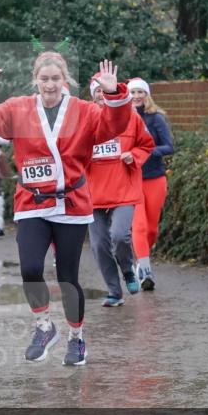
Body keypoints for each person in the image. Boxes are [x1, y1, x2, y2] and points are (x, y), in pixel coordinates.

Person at [0, 49, 132, 366]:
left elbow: (113, 126)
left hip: (71, 203)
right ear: (35, 80)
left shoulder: (84, 110)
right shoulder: (18, 108)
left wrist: (113, 93)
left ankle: (76, 337)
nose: (50, 84)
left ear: (65, 79)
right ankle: (44, 326)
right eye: (44, 78)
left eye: (56, 78)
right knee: (30, 269)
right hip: (32, 202)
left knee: (68, 277)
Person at [85, 76, 154, 306]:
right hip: (92, 193)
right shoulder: (82, 120)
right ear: (92, 95)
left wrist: (132, 156)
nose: (101, 95)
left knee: (120, 236)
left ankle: (128, 270)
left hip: (124, 188)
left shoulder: (131, 117)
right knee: (99, 244)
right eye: (97, 91)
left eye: (105, 91)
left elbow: (147, 144)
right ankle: (114, 291)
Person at [128, 78, 174, 291]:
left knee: (152, 228)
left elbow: (169, 146)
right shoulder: (123, 119)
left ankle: (141, 258)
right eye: (133, 92)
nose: (136, 96)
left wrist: (148, 152)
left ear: (146, 95)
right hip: (132, 179)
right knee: (139, 225)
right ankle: (145, 271)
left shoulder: (156, 119)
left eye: (140, 92)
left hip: (155, 178)